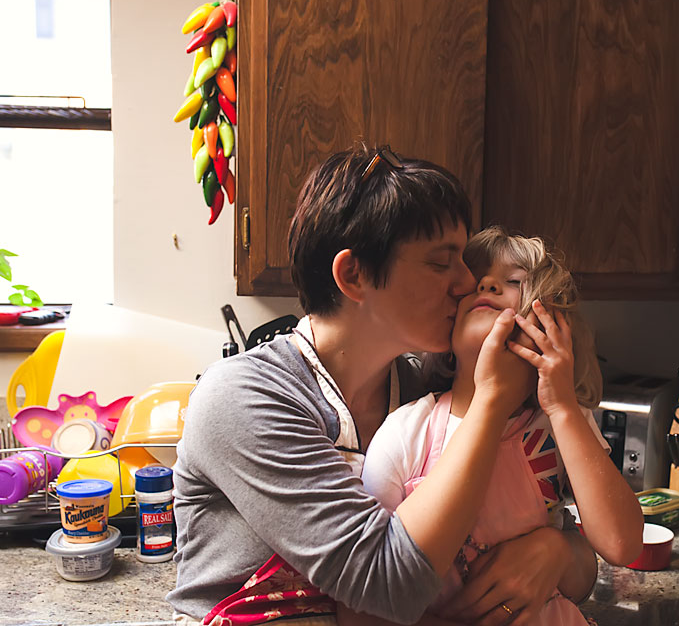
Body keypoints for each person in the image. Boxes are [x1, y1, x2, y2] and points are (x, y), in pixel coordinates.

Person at [167, 146, 598, 626]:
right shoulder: (246, 397)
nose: (467, 281)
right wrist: (493, 401)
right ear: (354, 275)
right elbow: (386, 584)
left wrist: (557, 550)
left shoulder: (426, 392)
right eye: (442, 262)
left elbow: (579, 544)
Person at [341, 227, 646, 625]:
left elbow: (621, 544)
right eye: (473, 281)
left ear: (550, 319)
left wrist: (563, 406)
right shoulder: (406, 432)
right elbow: (366, 597)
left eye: (513, 281)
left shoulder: (559, 421)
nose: (485, 283)